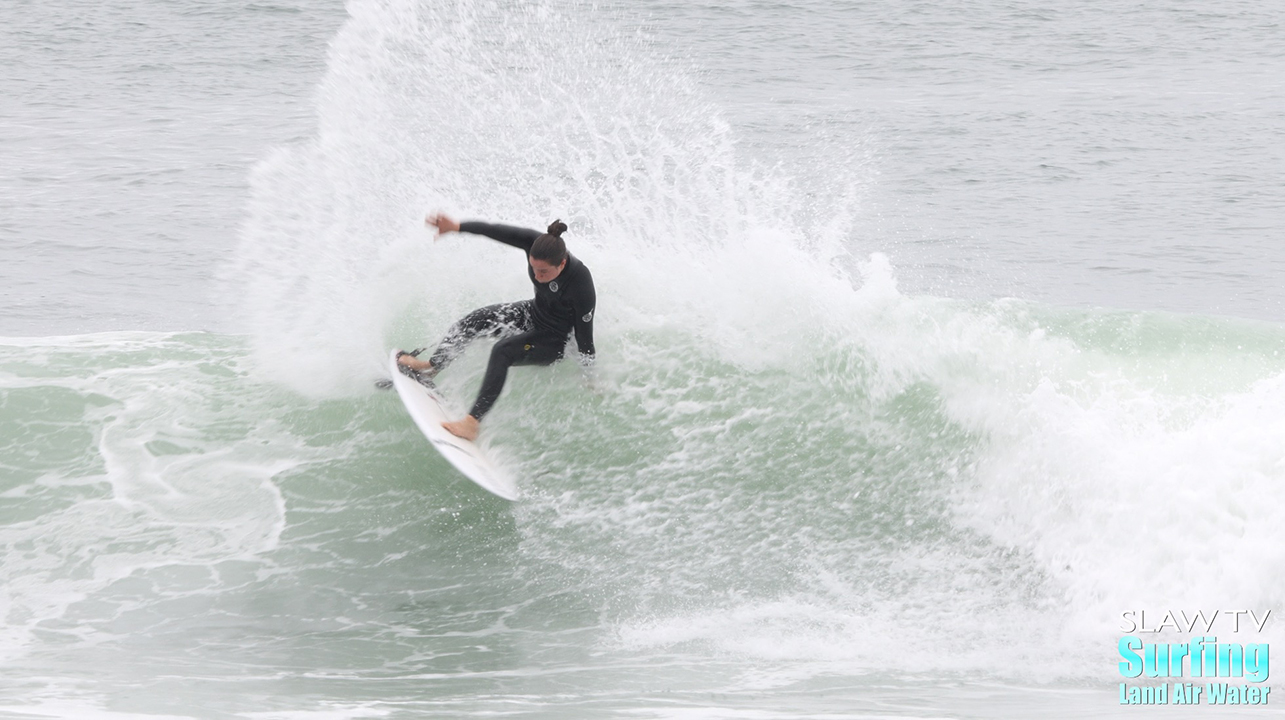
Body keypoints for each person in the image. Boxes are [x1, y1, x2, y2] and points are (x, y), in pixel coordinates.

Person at [397, 213, 596, 441]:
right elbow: (494, 230)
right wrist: (457, 226)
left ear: (562, 264)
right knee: (476, 320)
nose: (538, 277)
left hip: (555, 339)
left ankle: (471, 424)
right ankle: (432, 366)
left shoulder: (581, 283)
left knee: (502, 351)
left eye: (544, 273)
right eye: (534, 269)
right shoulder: (536, 243)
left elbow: (585, 337)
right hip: (533, 313)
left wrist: (589, 376)